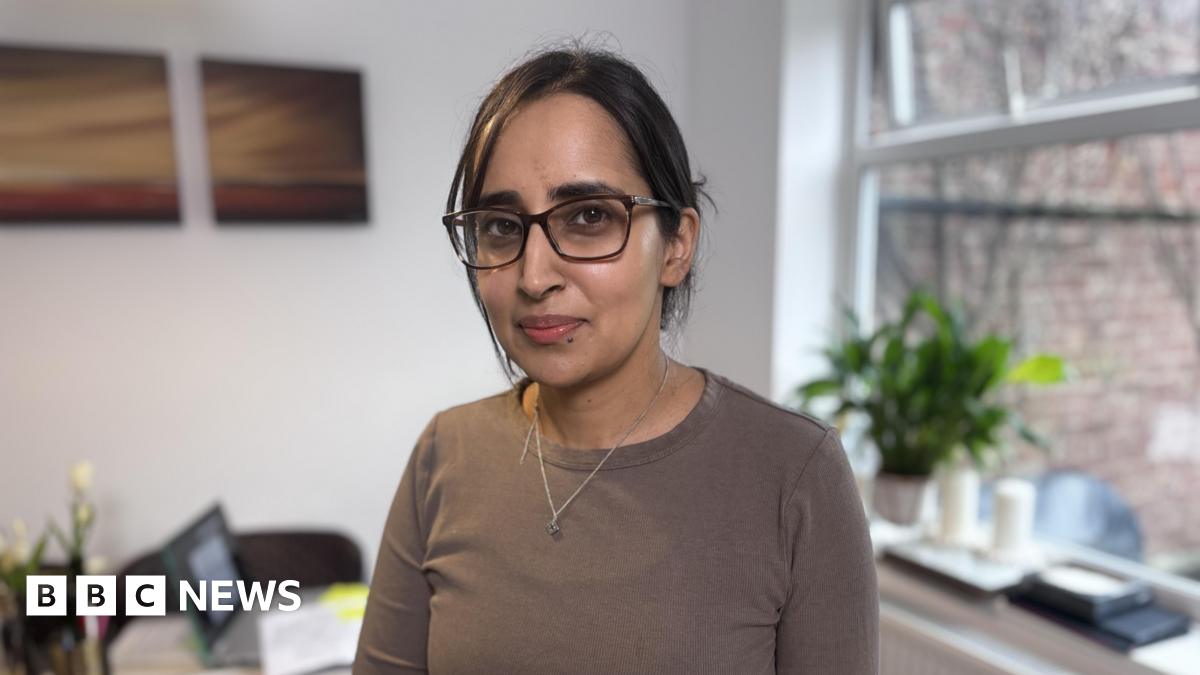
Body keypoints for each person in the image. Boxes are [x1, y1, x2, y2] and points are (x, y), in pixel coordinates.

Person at [354, 44, 878, 674]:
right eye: (499, 225)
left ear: (676, 246)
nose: (533, 275)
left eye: (590, 216)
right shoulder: (446, 453)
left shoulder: (793, 473)